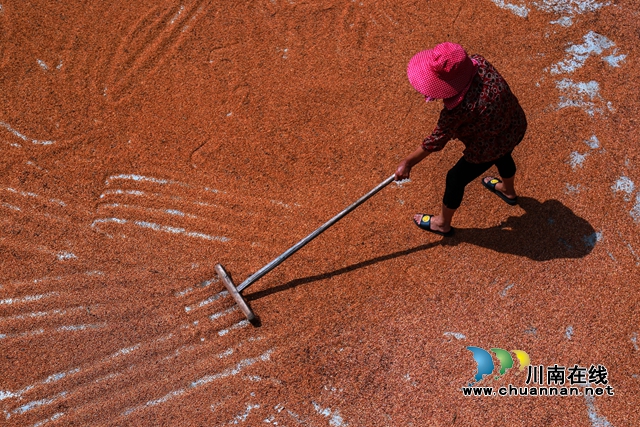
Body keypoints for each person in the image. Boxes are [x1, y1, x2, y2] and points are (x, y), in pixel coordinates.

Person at [395, 42, 527, 237]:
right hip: (513, 124)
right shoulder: (480, 63)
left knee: (455, 178)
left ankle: (442, 224)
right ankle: (508, 190)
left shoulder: (457, 111)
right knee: (504, 154)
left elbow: (435, 141)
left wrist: (408, 163)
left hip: (488, 144)